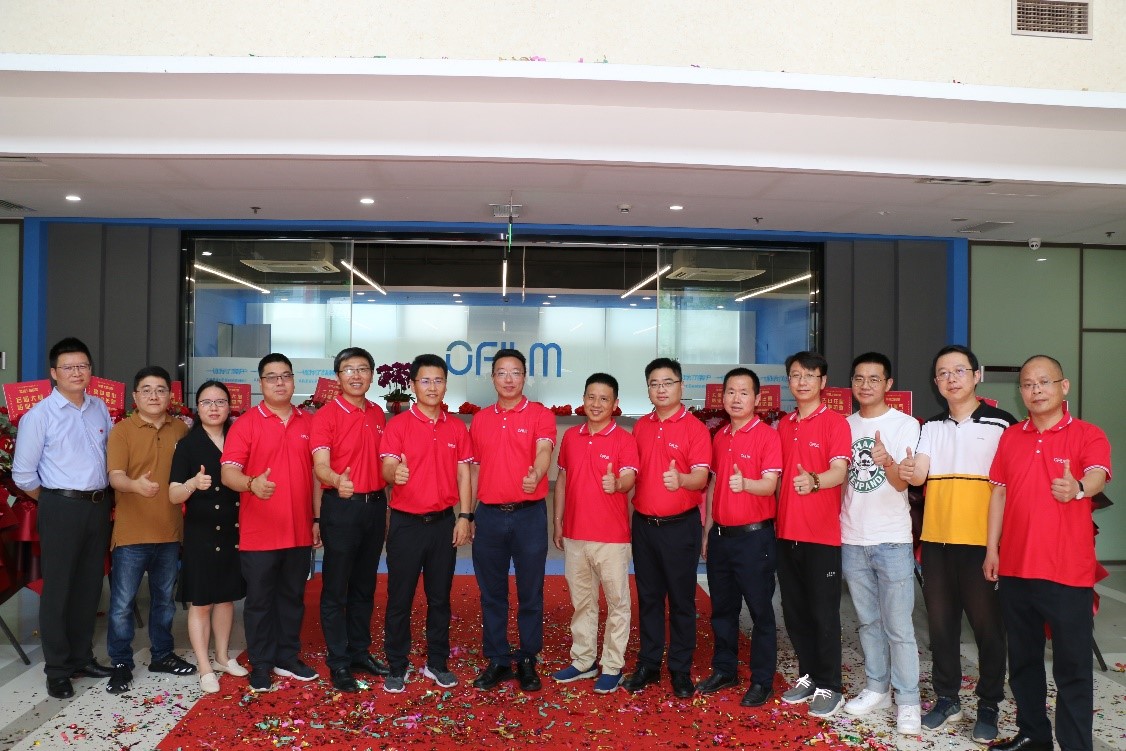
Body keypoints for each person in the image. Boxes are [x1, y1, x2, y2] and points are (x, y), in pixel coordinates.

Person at [984, 355, 1111, 751]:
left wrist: (1078, 488)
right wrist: (992, 549)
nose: (1035, 390)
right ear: (1020, 391)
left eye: (1044, 382)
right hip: (1016, 568)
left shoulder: (1088, 435)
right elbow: (999, 494)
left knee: (1072, 666)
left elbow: (1097, 474)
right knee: (1023, 661)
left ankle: (1075, 745)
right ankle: (1033, 735)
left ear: (1063, 386)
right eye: (1027, 384)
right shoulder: (1010, 437)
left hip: (1067, 572)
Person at [899, 344, 1016, 743]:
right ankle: (947, 698)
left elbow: (1009, 488)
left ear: (976, 375)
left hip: (982, 544)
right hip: (936, 542)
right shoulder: (930, 427)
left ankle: (989, 704)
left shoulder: (1002, 424)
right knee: (941, 627)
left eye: (959, 371)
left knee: (988, 629)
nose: (951, 379)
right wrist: (905, 468)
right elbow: (919, 475)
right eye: (943, 373)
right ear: (935, 382)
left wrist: (996, 547)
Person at [11, 337, 115, 699]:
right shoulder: (39, 416)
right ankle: (57, 669)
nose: (77, 372)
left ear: (91, 370)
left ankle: (81, 657)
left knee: (89, 586)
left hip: (97, 506)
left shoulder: (100, 407)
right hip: (60, 506)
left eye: (83, 366)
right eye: (68, 367)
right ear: (54, 373)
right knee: (58, 589)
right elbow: (23, 475)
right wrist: (55, 501)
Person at [221, 353, 318, 693]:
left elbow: (317, 476)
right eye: (272, 377)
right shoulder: (246, 423)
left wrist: (317, 518)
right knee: (260, 601)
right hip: (259, 531)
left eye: (285, 376)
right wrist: (251, 484)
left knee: (292, 598)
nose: (280, 382)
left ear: (293, 381)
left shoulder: (309, 422)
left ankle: (287, 657)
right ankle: (261, 663)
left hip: (299, 529)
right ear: (260, 383)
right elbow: (228, 472)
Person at [379, 354, 474, 692]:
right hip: (406, 525)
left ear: (446, 384)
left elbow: (464, 474)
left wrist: (465, 516)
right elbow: (386, 467)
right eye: (425, 381)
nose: (432, 387)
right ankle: (397, 665)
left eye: (438, 380)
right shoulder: (398, 425)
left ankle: (437, 663)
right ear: (412, 385)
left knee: (440, 598)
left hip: (443, 525)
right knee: (399, 598)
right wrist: (395, 473)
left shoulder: (456, 427)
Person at [839, 353, 922, 734]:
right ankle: (877, 688)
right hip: (852, 537)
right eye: (859, 378)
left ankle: (908, 699)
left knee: (899, 626)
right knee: (868, 622)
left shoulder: (905, 424)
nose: (866, 385)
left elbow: (904, 482)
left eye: (874, 379)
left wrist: (887, 460)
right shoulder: (844, 425)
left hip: (891, 539)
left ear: (888, 384)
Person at [621, 357, 710, 699]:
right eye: (654, 384)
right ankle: (648, 665)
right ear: (648, 389)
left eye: (668, 382)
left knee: (682, 601)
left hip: (679, 527)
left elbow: (700, 477)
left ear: (681, 386)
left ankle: (680, 668)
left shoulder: (695, 428)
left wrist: (681, 480)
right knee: (649, 599)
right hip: (644, 526)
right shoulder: (641, 427)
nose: (661, 389)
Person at [469, 348, 557, 692]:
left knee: (530, 592)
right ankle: (498, 659)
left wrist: (538, 472)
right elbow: (474, 470)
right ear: (492, 378)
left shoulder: (540, 414)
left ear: (525, 377)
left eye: (515, 372)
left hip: (529, 517)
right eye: (502, 373)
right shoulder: (480, 419)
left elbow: (545, 448)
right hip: (489, 516)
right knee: (492, 593)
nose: (509, 379)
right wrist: (468, 513)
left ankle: (528, 658)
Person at [105, 365, 194, 694]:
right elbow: (115, 476)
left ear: (170, 396)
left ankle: (162, 655)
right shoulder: (122, 431)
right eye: (147, 390)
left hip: (169, 532)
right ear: (135, 396)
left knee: (164, 602)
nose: (154, 396)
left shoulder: (181, 430)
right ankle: (120, 662)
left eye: (160, 390)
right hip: (131, 534)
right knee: (122, 604)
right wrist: (135, 485)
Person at [550, 373, 639, 694]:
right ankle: (584, 660)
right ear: (583, 399)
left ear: (615, 404)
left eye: (604, 399)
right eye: (591, 397)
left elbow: (629, 478)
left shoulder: (624, 439)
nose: (596, 404)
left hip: (611, 539)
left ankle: (612, 665)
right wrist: (558, 521)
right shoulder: (571, 437)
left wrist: (618, 484)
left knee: (617, 603)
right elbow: (562, 480)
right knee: (582, 602)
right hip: (575, 534)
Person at [698, 367, 782, 707]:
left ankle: (762, 680)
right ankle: (725, 669)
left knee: (761, 612)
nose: (736, 398)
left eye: (744, 392)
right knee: (723, 609)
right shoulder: (720, 436)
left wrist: (746, 484)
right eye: (731, 392)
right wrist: (707, 531)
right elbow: (713, 486)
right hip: (721, 537)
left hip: (754, 539)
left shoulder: (767, 436)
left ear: (757, 399)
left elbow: (770, 485)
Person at [311, 347, 391, 693]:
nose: (356, 375)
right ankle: (339, 661)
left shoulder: (377, 413)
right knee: (336, 587)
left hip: (374, 507)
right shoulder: (325, 416)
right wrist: (335, 479)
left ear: (371, 375)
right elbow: (319, 464)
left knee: (364, 585)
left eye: (362, 369)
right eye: (348, 369)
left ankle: (359, 652)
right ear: (338, 376)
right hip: (341, 507)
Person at [776, 351, 851, 717]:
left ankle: (830, 685)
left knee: (824, 614)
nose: (802, 381)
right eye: (795, 375)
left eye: (810, 375)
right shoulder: (784, 424)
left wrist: (815, 481)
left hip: (821, 537)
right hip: (785, 533)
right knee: (795, 612)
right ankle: (808, 675)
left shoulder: (835, 423)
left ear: (823, 382)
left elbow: (840, 471)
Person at [169, 381, 248, 694]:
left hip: (233, 529)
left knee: (226, 598)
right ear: (197, 408)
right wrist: (192, 484)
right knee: (201, 601)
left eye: (220, 402)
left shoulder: (239, 438)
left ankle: (222, 657)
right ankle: (204, 666)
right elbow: (174, 494)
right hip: (201, 532)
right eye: (206, 402)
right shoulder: (187, 445)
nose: (214, 408)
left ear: (229, 406)